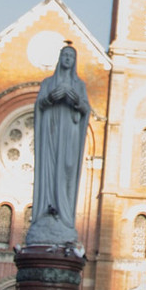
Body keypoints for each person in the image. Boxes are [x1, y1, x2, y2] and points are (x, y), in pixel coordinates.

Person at [26, 44, 92, 245]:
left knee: (67, 171)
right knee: (49, 170)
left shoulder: (79, 85)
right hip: (51, 133)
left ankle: (64, 216)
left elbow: (85, 109)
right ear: (59, 58)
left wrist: (76, 99)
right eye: (65, 55)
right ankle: (46, 212)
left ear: (75, 61)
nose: (67, 58)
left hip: (70, 135)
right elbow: (40, 105)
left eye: (71, 56)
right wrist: (50, 98)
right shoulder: (48, 82)